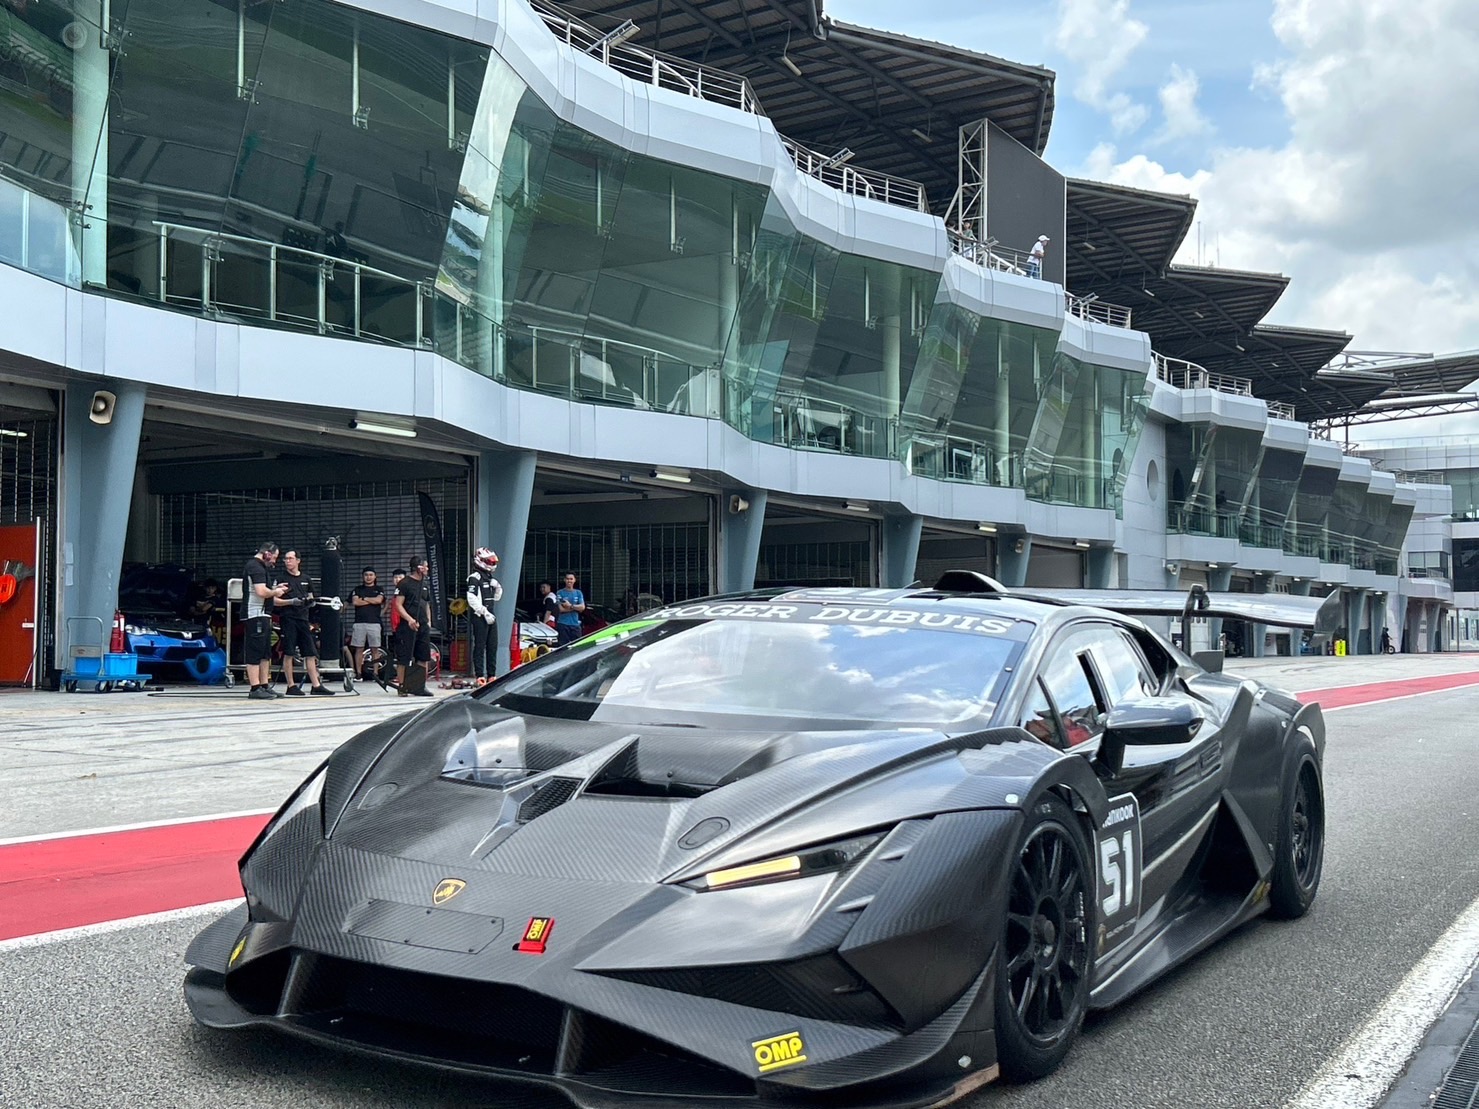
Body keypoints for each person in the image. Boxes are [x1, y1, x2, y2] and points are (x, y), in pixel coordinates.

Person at [273, 549, 335, 696]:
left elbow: (312, 597)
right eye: (286, 559)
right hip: (288, 618)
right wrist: (291, 602)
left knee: (310, 652)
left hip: (303, 619)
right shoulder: (281, 578)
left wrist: (309, 602)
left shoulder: (306, 579)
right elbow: (274, 600)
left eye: (290, 558)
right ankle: (291, 685)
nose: (288, 561)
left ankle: (316, 685)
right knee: (289, 652)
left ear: (298, 561)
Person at [242, 541, 288, 700]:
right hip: (255, 614)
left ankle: (264, 685)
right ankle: (255, 688)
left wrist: (275, 589)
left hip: (263, 614)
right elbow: (261, 591)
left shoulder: (260, 567)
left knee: (265, 653)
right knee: (255, 651)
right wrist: (276, 592)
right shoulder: (255, 567)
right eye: (274, 557)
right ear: (267, 554)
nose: (275, 561)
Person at [393, 556, 435, 696]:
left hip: (423, 626)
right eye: (425, 566)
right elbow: (398, 605)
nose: (427, 569)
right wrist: (409, 619)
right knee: (404, 657)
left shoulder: (424, 584)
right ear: (419, 568)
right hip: (407, 626)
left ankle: (419, 686)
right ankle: (402, 686)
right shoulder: (404, 583)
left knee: (423, 656)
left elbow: (426, 603)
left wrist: (428, 621)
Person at [465, 547, 503, 682]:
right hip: (480, 615)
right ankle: (480, 675)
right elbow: (471, 598)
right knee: (480, 646)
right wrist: (483, 612)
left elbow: (496, 598)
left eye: (493, 562)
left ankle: (492, 675)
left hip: (491, 614)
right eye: (489, 562)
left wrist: (498, 588)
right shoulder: (474, 578)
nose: (492, 564)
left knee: (493, 645)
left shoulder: (489, 578)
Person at [350, 567, 384, 678]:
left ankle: (375, 673)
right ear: (362, 576)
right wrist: (371, 600)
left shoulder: (379, 589)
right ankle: (358, 673)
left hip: (374, 622)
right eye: (366, 575)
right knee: (359, 648)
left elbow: (379, 600)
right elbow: (355, 602)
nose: (368, 577)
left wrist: (364, 599)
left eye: (371, 575)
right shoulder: (358, 589)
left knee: (375, 649)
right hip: (359, 622)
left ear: (375, 576)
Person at [554, 571, 586, 646]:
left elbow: (582, 607)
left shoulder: (578, 593)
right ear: (564, 580)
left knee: (577, 646)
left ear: (574, 580)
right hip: (563, 624)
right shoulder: (559, 592)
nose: (569, 581)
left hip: (575, 624)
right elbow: (561, 609)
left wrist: (570, 606)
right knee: (563, 647)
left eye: (571, 579)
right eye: (567, 579)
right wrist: (576, 608)